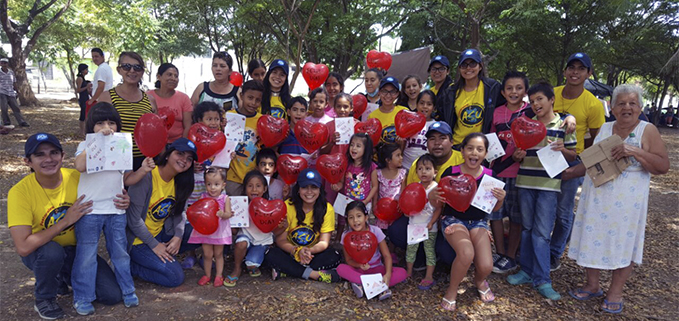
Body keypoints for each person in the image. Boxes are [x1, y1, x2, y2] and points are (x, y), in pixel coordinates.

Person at [566, 84, 669, 314]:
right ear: (612, 108)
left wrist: (635, 151)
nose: (627, 107)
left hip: (628, 201)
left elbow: (663, 166)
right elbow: (591, 160)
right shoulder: (605, 127)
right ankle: (592, 285)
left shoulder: (647, 129)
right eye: (621, 103)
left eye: (632, 103)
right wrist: (568, 173)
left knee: (623, 241)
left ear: (640, 107)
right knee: (592, 235)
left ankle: (615, 292)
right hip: (597, 194)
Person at [8, 133, 126, 319]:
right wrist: (66, 220)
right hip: (41, 253)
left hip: (76, 251)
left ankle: (62, 276)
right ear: (27, 161)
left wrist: (122, 200)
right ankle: (44, 299)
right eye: (40, 155)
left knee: (112, 295)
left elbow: (109, 196)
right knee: (52, 252)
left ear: (63, 156)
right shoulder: (20, 192)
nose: (48, 159)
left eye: (54, 152)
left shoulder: (77, 177)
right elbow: (23, 247)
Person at [507, 83, 577, 300]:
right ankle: (526, 271)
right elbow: (519, 154)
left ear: (551, 99)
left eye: (540, 99)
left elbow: (573, 155)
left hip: (548, 187)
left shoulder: (564, 125)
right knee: (527, 229)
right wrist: (517, 155)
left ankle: (543, 279)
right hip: (525, 182)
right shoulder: (526, 126)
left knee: (541, 233)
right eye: (533, 100)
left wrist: (562, 149)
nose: (536, 104)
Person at [71, 103, 142, 315]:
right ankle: (83, 296)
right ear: (91, 126)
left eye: (111, 122)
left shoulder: (122, 146)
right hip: (90, 210)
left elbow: (126, 177)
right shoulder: (85, 145)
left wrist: (144, 170)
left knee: (120, 253)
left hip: (116, 210)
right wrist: (97, 141)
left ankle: (128, 290)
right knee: (86, 254)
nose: (107, 127)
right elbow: (79, 166)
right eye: (100, 123)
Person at [434, 133, 506, 312]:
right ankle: (452, 291)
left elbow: (493, 209)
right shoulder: (451, 172)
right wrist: (432, 196)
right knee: (466, 253)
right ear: (463, 150)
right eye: (470, 148)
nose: (474, 153)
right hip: (453, 219)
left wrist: (501, 199)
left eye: (480, 149)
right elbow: (439, 203)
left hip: (478, 222)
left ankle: (479, 280)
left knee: (486, 265)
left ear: (486, 153)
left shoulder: (490, 176)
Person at [550, 52, 605, 271]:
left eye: (581, 69)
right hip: (545, 157)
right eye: (571, 67)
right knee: (543, 207)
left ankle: (555, 253)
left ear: (589, 74)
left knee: (563, 210)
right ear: (565, 71)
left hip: (571, 161)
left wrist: (581, 165)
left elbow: (597, 139)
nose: (575, 72)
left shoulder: (593, 105)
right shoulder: (552, 94)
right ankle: (537, 247)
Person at [389, 121, 464, 266]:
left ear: (452, 141)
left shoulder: (461, 160)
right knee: (396, 232)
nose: (437, 143)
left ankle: (438, 255)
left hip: (451, 218)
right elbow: (410, 198)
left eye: (442, 138)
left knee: (449, 255)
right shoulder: (419, 163)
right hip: (423, 216)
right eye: (432, 139)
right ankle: (422, 256)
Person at [126, 138, 197, 287]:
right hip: (139, 241)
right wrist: (154, 245)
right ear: (167, 155)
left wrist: (178, 236)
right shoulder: (146, 176)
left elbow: (180, 213)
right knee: (174, 278)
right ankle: (130, 267)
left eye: (189, 159)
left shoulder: (180, 182)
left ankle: (162, 257)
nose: (184, 160)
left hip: (162, 234)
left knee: (199, 233)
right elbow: (133, 220)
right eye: (180, 154)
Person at [265, 169, 342, 283]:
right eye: (305, 187)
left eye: (314, 187)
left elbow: (324, 242)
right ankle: (313, 274)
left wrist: (308, 251)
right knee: (270, 254)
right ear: (298, 189)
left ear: (320, 190)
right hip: (291, 252)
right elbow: (281, 240)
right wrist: (296, 251)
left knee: (334, 255)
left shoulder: (327, 209)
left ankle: (289, 271)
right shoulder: (287, 206)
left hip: (313, 254)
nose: (309, 192)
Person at [488, 71, 530, 274]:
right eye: (510, 88)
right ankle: (501, 253)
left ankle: (511, 256)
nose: (514, 92)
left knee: (516, 216)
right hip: (497, 171)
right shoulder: (496, 113)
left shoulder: (531, 112)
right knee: (495, 214)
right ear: (503, 92)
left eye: (519, 88)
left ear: (525, 91)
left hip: (521, 173)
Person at [98, 52, 157, 171]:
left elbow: (157, 132)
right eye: (126, 66)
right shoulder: (106, 97)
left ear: (142, 71)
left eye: (137, 67)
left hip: (144, 161)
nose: (132, 71)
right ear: (119, 70)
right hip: (114, 160)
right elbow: (96, 127)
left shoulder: (150, 100)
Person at [337, 201, 408, 300]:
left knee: (402, 272)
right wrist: (359, 265)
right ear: (347, 220)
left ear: (366, 217)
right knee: (340, 268)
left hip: (377, 270)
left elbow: (387, 256)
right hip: (359, 270)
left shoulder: (375, 231)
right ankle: (379, 288)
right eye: (351, 217)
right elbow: (348, 261)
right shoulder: (346, 235)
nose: (355, 221)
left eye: (358, 216)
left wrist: (387, 274)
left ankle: (362, 284)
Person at [435, 49, 503, 149]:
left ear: (480, 66)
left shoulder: (492, 88)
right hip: (458, 146)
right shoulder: (451, 92)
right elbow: (443, 118)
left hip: (482, 147)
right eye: (464, 65)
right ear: (459, 68)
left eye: (472, 64)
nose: (468, 68)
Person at [226, 170, 278, 286]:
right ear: (244, 189)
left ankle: (251, 262)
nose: (254, 190)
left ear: (264, 189)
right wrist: (231, 220)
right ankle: (237, 268)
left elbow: (274, 230)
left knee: (252, 263)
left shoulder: (270, 206)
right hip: (245, 238)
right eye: (250, 186)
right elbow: (234, 232)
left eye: (258, 186)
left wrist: (281, 226)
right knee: (241, 243)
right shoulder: (240, 205)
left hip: (262, 242)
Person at [188, 167, 233, 287]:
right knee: (207, 254)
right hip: (205, 231)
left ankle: (219, 275)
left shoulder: (225, 198)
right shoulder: (203, 197)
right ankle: (207, 275)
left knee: (218, 254)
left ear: (223, 185)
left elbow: (229, 214)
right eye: (209, 184)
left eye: (216, 184)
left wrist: (223, 214)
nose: (212, 188)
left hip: (219, 231)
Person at [331, 133, 378, 239]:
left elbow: (375, 186)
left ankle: (361, 240)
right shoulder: (346, 163)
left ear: (366, 149)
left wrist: (366, 201)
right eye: (352, 145)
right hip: (346, 200)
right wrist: (337, 186)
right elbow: (341, 182)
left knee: (360, 222)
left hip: (362, 202)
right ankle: (339, 239)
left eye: (358, 146)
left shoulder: (371, 166)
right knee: (343, 220)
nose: (353, 148)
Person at [405, 154, 441, 289]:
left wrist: (432, 222)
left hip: (429, 227)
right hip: (414, 225)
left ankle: (429, 276)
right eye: (420, 169)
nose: (423, 172)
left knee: (429, 251)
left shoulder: (435, 188)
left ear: (435, 172)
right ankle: (409, 272)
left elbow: (438, 209)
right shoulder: (415, 187)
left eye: (427, 168)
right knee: (411, 249)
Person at [226, 80, 264, 196]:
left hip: (253, 178)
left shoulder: (262, 121)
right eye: (250, 98)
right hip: (231, 177)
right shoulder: (228, 117)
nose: (253, 103)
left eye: (257, 100)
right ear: (241, 96)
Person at [147, 63, 193, 143]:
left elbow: (188, 126)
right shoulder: (148, 96)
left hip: (176, 144)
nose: (173, 78)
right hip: (153, 142)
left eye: (176, 76)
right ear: (159, 77)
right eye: (169, 75)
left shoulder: (184, 98)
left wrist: (181, 146)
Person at [372, 143, 406, 230]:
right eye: (398, 155)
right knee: (381, 232)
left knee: (394, 232)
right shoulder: (377, 173)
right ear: (388, 160)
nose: (401, 158)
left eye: (401, 155)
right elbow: (375, 191)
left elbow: (403, 192)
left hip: (396, 211)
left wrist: (401, 204)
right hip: (382, 210)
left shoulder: (402, 173)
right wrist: (374, 205)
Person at [368, 76, 408, 145]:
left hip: (399, 154)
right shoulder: (372, 116)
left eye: (392, 92)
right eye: (384, 91)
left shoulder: (404, 112)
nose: (388, 95)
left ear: (397, 94)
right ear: (379, 92)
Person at [402, 90, 436, 169]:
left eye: (429, 104)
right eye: (421, 103)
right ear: (416, 105)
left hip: (425, 170)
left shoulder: (435, 126)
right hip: (406, 167)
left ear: (434, 108)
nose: (425, 106)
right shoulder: (408, 122)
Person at [278, 96, 311, 161]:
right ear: (289, 112)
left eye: (302, 111)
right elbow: (274, 150)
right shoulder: (283, 130)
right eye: (295, 110)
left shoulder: (309, 133)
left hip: (302, 168)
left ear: (306, 114)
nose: (298, 113)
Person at [0, 57, 28, 127]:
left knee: (16, 108)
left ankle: (21, 122)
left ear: (7, 64)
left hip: (11, 92)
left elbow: (14, 82)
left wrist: (17, 90)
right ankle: (6, 122)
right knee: (4, 108)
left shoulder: (11, 72)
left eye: (5, 63)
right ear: (0, 64)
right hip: (2, 92)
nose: (4, 64)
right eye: (2, 63)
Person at [75, 63, 92, 135]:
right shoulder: (80, 78)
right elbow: (78, 90)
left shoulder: (84, 78)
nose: (87, 71)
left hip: (86, 98)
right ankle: (82, 131)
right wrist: (87, 87)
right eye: (86, 69)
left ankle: (85, 130)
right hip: (82, 99)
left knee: (86, 114)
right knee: (83, 115)